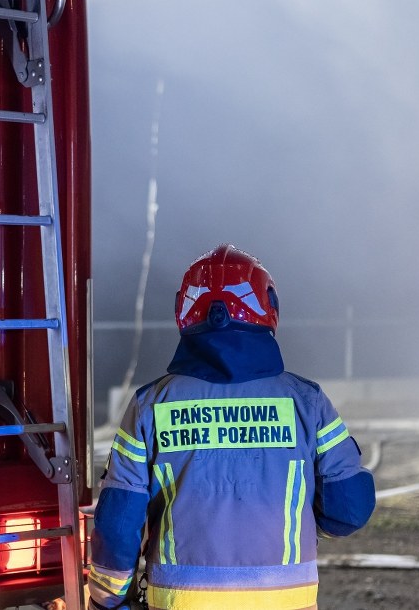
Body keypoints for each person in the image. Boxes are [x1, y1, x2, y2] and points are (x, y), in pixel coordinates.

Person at [88, 244, 375, 610]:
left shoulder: (151, 405)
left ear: (184, 311)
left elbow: (117, 523)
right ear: (268, 308)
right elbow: (349, 509)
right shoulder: (307, 401)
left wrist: (107, 600)